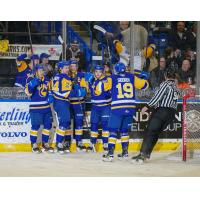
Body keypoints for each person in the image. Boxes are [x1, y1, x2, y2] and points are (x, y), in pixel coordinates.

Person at [102, 62, 149, 162]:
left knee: (113, 131)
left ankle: (110, 154)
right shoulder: (132, 77)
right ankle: (125, 152)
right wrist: (144, 78)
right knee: (124, 131)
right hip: (130, 107)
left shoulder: (112, 78)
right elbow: (144, 86)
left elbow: (104, 88)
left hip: (117, 107)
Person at [131, 67, 180, 164]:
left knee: (150, 132)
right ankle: (146, 154)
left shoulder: (165, 84)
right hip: (171, 113)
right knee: (155, 133)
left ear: (165, 76)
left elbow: (157, 97)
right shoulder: (176, 87)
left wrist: (147, 107)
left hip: (162, 111)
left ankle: (142, 155)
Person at [25, 64, 54, 153]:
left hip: (46, 107)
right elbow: (28, 93)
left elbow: (49, 90)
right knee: (35, 126)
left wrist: (50, 95)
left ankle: (45, 144)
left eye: (43, 70)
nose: (42, 72)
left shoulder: (46, 79)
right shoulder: (30, 79)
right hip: (35, 107)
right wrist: (32, 85)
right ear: (36, 71)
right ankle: (33, 144)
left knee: (48, 125)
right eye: (40, 70)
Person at [84, 65, 111, 153]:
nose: (98, 73)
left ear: (102, 72)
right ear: (94, 72)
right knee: (94, 125)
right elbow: (88, 91)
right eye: (96, 72)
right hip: (95, 106)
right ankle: (92, 144)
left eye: (99, 72)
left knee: (105, 125)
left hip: (105, 106)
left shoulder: (107, 80)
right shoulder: (92, 80)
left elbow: (109, 92)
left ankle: (105, 144)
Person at [52, 60, 72, 154]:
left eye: (68, 68)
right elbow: (55, 91)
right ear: (60, 69)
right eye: (65, 68)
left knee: (67, 123)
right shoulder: (58, 77)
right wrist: (67, 94)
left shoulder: (68, 77)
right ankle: (58, 144)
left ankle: (64, 143)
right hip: (60, 102)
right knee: (64, 123)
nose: (67, 69)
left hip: (65, 102)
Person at [69, 59, 87, 151]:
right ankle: (67, 142)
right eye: (71, 66)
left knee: (79, 123)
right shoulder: (66, 75)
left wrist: (79, 91)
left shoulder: (81, 75)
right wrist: (74, 91)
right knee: (67, 123)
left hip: (78, 103)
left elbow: (84, 90)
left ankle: (79, 142)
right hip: (68, 103)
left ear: (77, 66)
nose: (73, 67)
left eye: (74, 66)